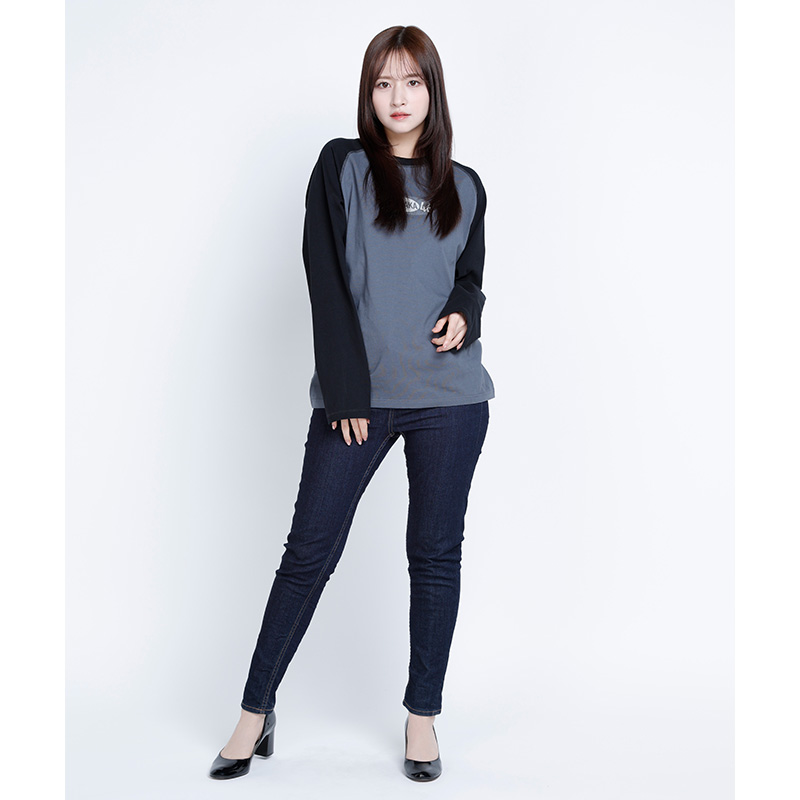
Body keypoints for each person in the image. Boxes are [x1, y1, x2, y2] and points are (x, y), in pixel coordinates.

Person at [209, 24, 495, 783]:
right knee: (308, 554)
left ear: (433, 91)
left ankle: (422, 716)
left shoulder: (466, 184)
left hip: (451, 399)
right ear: (368, 93)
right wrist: (344, 391)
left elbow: (469, 277)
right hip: (358, 400)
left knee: (435, 556)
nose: (398, 97)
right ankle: (255, 711)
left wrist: (465, 309)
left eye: (412, 81)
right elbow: (324, 275)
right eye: (383, 82)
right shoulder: (343, 165)